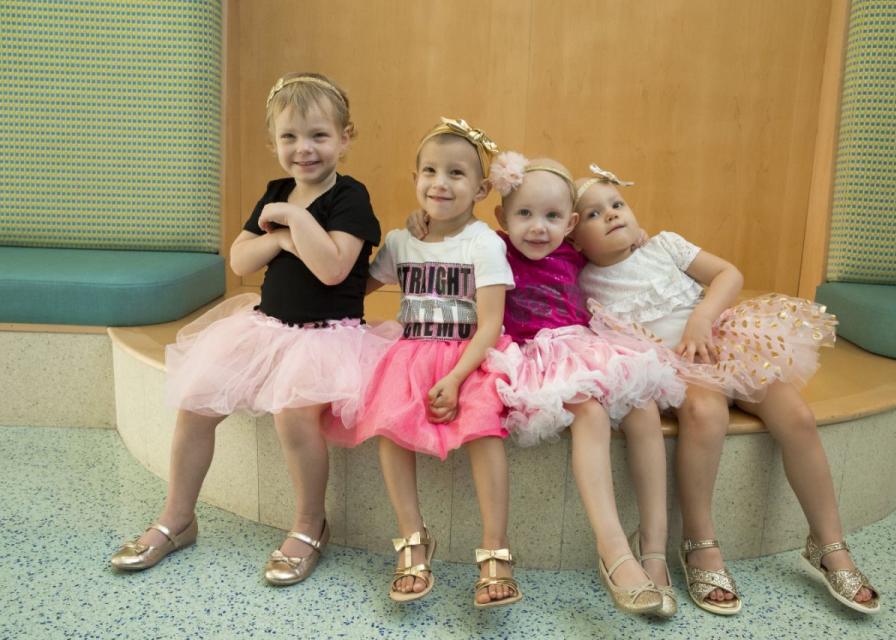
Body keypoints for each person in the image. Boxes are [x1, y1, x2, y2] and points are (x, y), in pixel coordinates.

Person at [110, 72, 398, 587]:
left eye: (318, 135)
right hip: (266, 326)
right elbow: (241, 259)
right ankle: (178, 517)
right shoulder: (275, 189)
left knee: (293, 416)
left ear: (345, 137)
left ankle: (311, 523)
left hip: (327, 335)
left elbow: (333, 268)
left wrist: (290, 218)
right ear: (274, 143)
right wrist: (283, 240)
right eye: (289, 137)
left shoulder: (350, 198)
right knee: (196, 402)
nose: (303, 149)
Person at [572, 164, 880, 615]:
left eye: (617, 204)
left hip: (727, 342)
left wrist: (702, 317)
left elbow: (728, 275)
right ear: (574, 239)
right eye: (595, 215)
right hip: (673, 367)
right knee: (706, 412)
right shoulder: (582, 281)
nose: (613, 215)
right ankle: (699, 542)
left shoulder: (665, 245)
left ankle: (828, 543)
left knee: (795, 415)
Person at [325, 118, 522, 607]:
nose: (440, 183)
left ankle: (496, 549)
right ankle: (412, 538)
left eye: (456, 174)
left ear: (480, 188)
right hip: (410, 354)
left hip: (469, 356)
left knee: (483, 428)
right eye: (430, 171)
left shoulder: (484, 243)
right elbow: (355, 286)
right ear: (415, 178)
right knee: (391, 425)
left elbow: (491, 324)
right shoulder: (399, 241)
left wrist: (457, 378)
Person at [480, 152, 685, 616]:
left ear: (570, 224)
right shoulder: (493, 247)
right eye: (525, 214)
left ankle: (652, 543)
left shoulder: (573, 251)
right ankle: (613, 550)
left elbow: (618, 241)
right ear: (502, 217)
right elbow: (450, 235)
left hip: (585, 346)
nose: (538, 228)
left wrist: (639, 241)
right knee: (589, 412)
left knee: (644, 407)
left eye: (552, 217)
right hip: (534, 355)